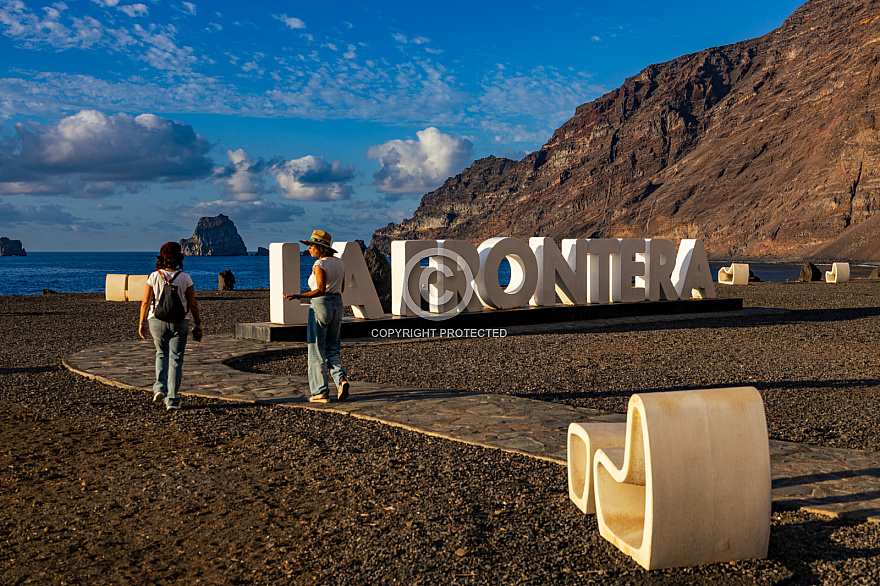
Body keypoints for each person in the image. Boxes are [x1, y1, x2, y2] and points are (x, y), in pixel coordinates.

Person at [284, 229, 350, 403]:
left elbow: (320, 290)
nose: (309, 249)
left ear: (320, 248)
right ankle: (341, 379)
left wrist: (298, 296)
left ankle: (320, 391)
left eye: (311, 246)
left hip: (321, 305)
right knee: (333, 348)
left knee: (316, 350)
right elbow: (342, 288)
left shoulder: (319, 265)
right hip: (338, 304)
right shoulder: (339, 263)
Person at [138, 242, 203, 410]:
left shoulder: (154, 276)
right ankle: (172, 400)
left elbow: (145, 302)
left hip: (156, 321)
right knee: (176, 359)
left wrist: (141, 322)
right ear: (179, 258)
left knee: (161, 354)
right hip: (180, 322)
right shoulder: (185, 277)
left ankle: (159, 388)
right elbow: (192, 303)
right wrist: (198, 322)